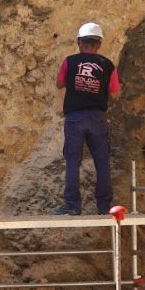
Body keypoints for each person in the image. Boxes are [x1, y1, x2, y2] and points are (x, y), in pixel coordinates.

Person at [55, 21, 122, 216]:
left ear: (79, 42)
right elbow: (115, 93)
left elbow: (59, 83)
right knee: (102, 161)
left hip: (74, 118)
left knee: (72, 162)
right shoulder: (107, 65)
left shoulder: (69, 61)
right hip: (97, 118)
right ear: (99, 44)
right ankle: (104, 207)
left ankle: (73, 206)